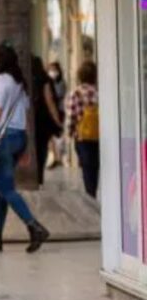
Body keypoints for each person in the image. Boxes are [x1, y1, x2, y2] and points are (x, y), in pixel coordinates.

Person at [0, 44, 50, 254]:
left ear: (0, 61)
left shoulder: (0, 81)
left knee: (5, 188)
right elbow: (25, 115)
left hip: (3, 139)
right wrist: (26, 148)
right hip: (18, 137)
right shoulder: (19, 83)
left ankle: (34, 226)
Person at [66, 61, 99, 198]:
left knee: (86, 167)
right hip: (99, 136)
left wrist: (70, 132)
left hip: (82, 137)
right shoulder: (99, 92)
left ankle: (90, 195)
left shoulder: (76, 93)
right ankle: (93, 190)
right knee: (95, 167)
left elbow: (71, 116)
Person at [32, 56, 64, 186]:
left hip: (29, 120)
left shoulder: (26, 80)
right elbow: (49, 101)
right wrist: (57, 120)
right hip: (43, 121)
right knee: (41, 149)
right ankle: (39, 176)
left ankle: (32, 175)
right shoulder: (45, 79)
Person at [47, 61, 68, 169]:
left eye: (53, 70)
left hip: (59, 110)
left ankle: (59, 156)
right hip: (51, 110)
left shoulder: (61, 83)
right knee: (51, 135)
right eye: (50, 69)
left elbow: (59, 95)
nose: (52, 72)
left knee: (58, 134)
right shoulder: (48, 83)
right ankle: (55, 156)